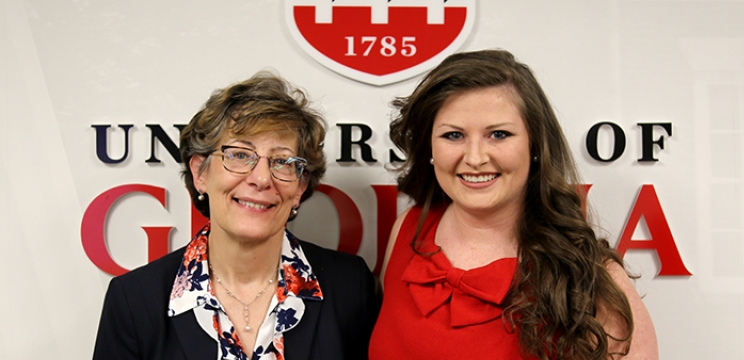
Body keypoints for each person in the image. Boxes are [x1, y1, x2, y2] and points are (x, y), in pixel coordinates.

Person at [369, 49, 658, 359]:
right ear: (429, 146)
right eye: (453, 135)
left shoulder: (592, 276)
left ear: (535, 145)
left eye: (498, 134)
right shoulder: (407, 230)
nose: (476, 158)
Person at [93, 72, 378, 360]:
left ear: (300, 187)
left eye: (281, 161)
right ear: (200, 172)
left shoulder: (350, 287)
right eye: (240, 155)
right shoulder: (134, 301)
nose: (262, 179)